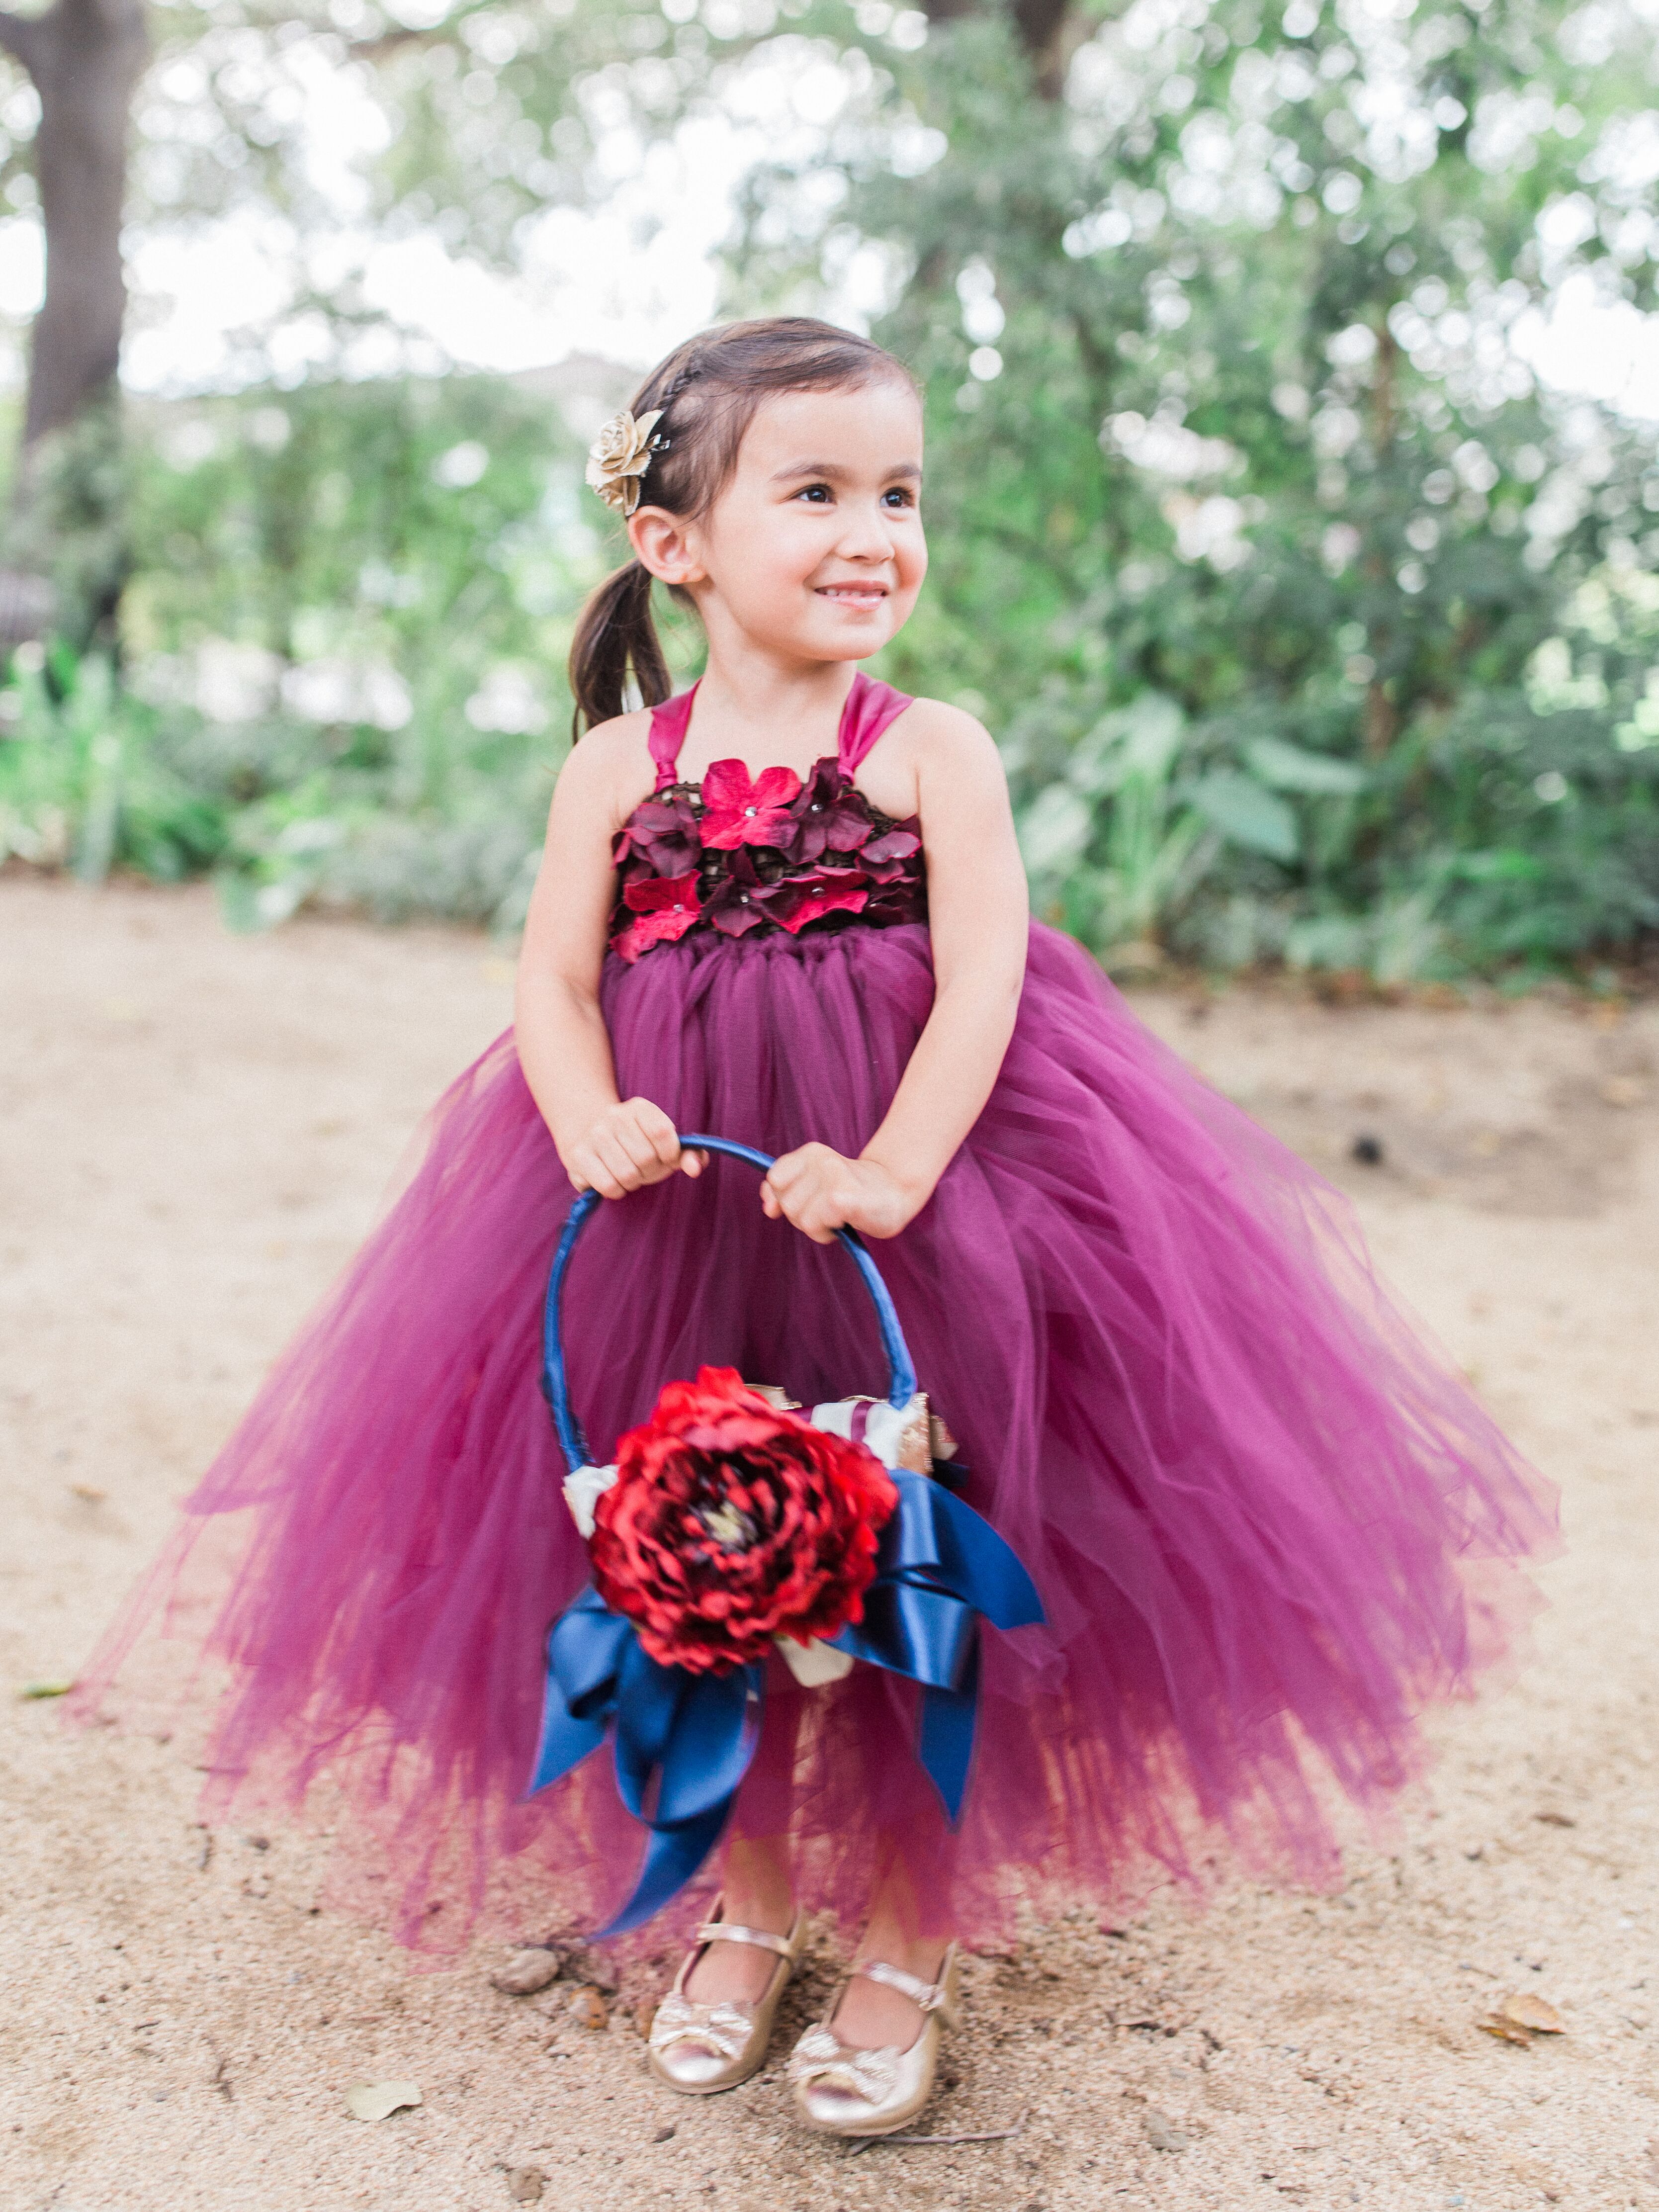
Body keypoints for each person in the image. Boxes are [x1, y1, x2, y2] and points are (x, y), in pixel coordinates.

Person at [75, 316, 1555, 2140]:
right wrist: (585, 1112)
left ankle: (911, 1933)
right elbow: (550, 980)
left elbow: (989, 985)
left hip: (913, 1216)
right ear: (674, 543)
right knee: (702, 1559)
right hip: (676, 1214)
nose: (876, 532)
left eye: (899, 491)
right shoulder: (617, 774)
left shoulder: (931, 750)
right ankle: (752, 1902)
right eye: (820, 491)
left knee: (919, 1557)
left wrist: (899, 1168)